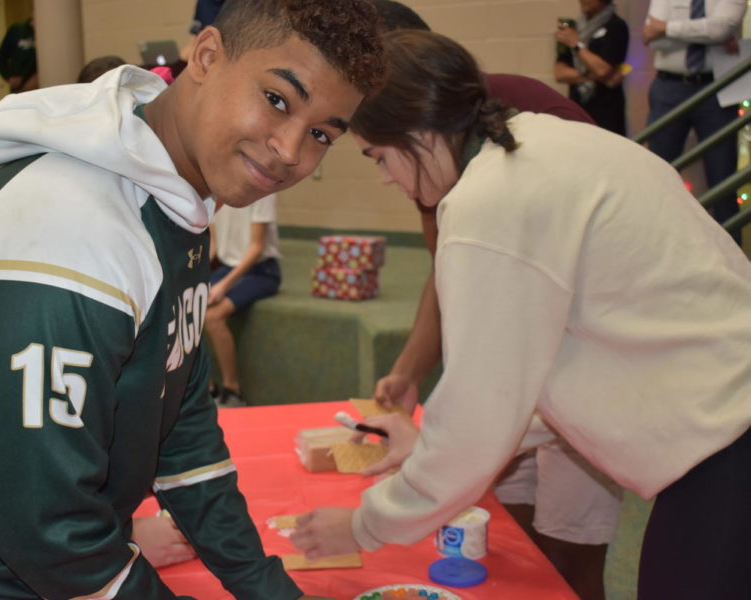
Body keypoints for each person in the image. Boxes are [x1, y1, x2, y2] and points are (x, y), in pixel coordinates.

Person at [0, 1, 383, 598]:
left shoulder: (176, 194)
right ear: (205, 56)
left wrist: (264, 585)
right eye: (277, 99)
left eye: (320, 135)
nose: (290, 150)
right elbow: (49, 532)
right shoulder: (68, 226)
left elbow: (180, 424)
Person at [290, 29, 751, 600]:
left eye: (379, 157)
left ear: (418, 132)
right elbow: (532, 379)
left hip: (727, 440)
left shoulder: (487, 203)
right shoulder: (542, 145)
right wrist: (430, 440)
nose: (387, 178)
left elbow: (485, 405)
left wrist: (364, 524)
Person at [368, 3, 619, 599]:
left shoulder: (502, 121)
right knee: (505, 538)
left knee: (569, 552)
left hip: (581, 371)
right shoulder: (419, 148)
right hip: (512, 385)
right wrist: (410, 371)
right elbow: (449, 269)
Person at [642, 0, 746, 243]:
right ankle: (658, 250)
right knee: (657, 176)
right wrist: (707, 34)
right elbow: (651, 38)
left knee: (723, 182)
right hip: (668, 88)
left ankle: (732, 267)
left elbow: (720, 28)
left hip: (717, 88)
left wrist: (667, 27)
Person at [206, 194, 282, 408]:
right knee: (188, 307)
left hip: (262, 271)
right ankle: (206, 386)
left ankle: (233, 390)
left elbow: (257, 248)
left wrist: (224, 285)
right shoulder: (216, 192)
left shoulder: (263, 191)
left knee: (213, 316)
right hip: (227, 267)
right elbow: (214, 245)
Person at [553, 0, 629, 135]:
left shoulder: (616, 26)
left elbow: (602, 69)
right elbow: (559, 73)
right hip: (578, 106)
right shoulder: (573, 29)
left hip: (606, 110)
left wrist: (576, 44)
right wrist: (592, 76)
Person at [0, 14, 37, 93]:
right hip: (19, 87)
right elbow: (0, 58)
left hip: (40, 85)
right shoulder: (17, 30)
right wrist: (8, 77)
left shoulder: (48, 33)